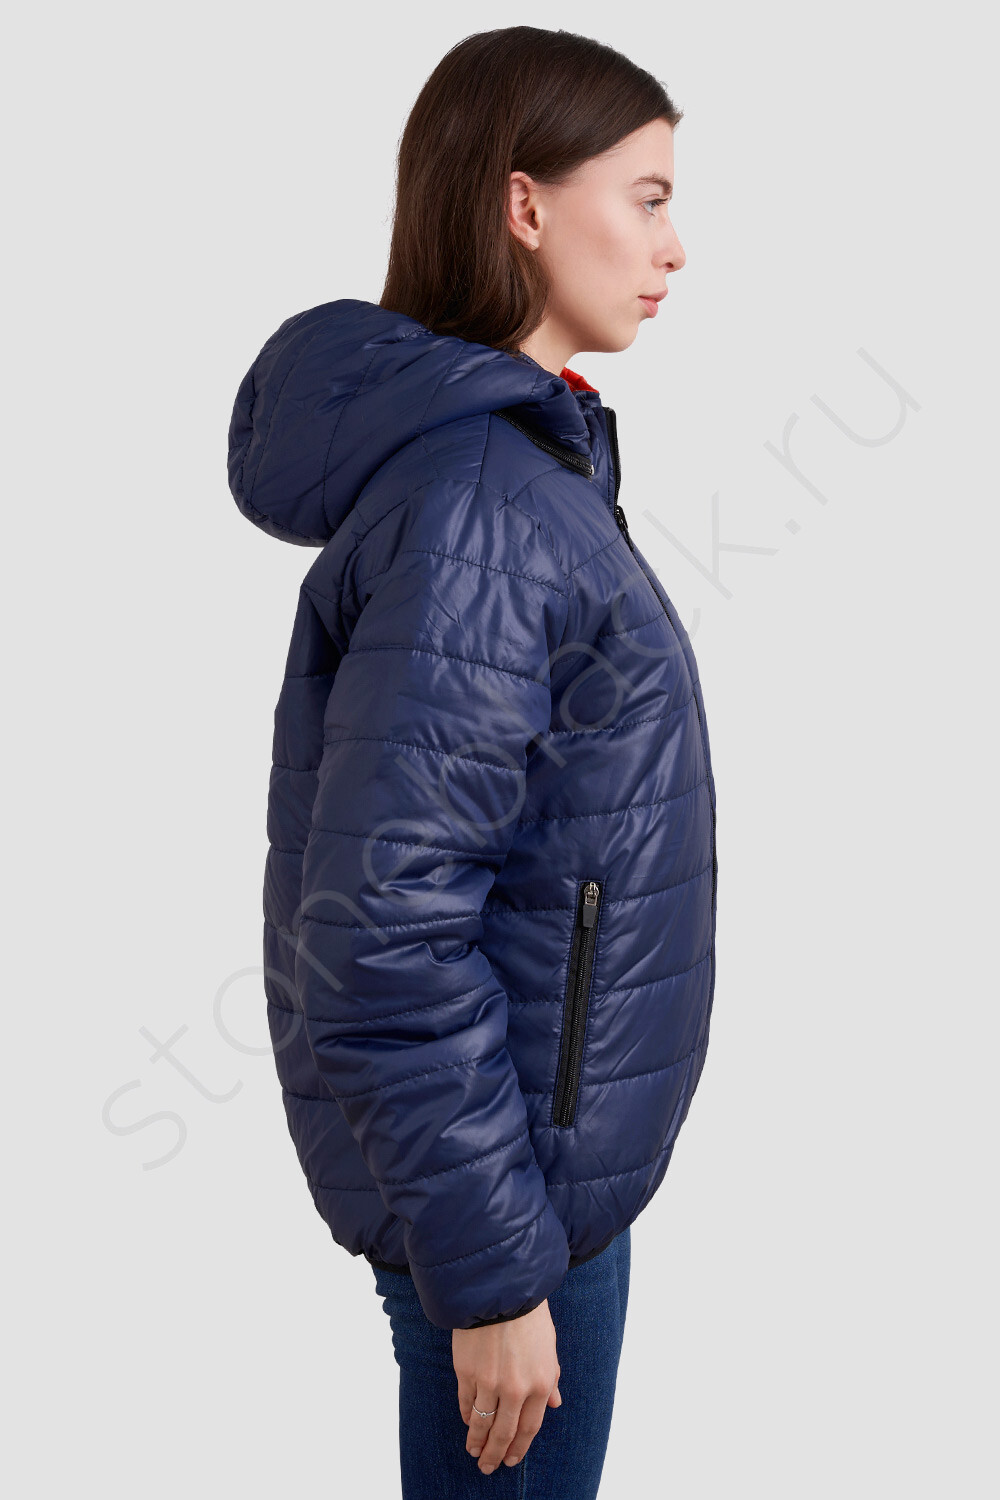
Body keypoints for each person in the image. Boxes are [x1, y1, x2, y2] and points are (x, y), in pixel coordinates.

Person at [227, 25, 718, 1497]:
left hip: (522, 1183)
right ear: (524, 205)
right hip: (510, 1215)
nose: (675, 247)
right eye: (646, 198)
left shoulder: (518, 468)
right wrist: (496, 1277)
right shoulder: (483, 503)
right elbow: (384, 928)